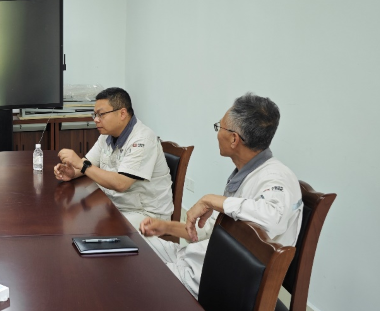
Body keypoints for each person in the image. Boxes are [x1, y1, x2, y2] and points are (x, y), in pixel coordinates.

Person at [140, 93, 303, 298]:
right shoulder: (245, 173)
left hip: (213, 280)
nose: (217, 134)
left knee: (135, 275)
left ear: (234, 139)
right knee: (136, 244)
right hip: (197, 260)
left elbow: (273, 218)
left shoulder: (278, 178)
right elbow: (210, 230)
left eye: (220, 127)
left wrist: (211, 200)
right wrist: (165, 227)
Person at [55, 87, 174, 229]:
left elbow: (121, 184)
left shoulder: (142, 140)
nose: (96, 120)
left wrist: (81, 165)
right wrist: (72, 173)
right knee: (82, 224)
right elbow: (90, 163)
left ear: (122, 113)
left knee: (93, 231)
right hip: (117, 203)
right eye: (95, 115)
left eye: (101, 114)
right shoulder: (106, 135)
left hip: (146, 214)